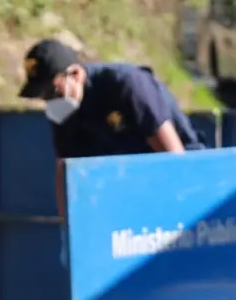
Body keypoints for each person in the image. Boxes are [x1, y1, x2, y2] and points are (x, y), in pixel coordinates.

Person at [17, 39, 205, 213]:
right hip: (131, 189)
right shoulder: (64, 111)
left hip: (182, 182)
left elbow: (175, 161)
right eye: (44, 97)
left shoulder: (126, 85)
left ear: (75, 74)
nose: (50, 101)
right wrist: (69, 230)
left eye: (53, 91)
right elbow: (66, 173)